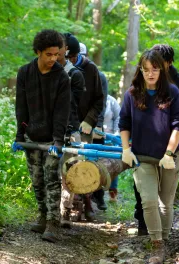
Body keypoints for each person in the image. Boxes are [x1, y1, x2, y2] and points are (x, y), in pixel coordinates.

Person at [119, 49, 179, 263]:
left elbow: (178, 126)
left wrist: (169, 153)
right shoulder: (132, 94)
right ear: (141, 70)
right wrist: (125, 149)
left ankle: (164, 242)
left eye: (154, 69)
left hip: (168, 157)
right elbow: (124, 123)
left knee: (165, 202)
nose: (150, 73)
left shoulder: (173, 93)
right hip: (142, 157)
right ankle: (156, 245)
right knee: (148, 201)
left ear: (161, 69)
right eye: (146, 69)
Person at [12, 29, 71, 243]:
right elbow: (21, 106)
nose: (53, 59)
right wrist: (20, 134)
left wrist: (58, 139)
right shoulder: (25, 73)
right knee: (36, 179)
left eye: (57, 55)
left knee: (51, 178)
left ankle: (54, 223)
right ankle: (43, 216)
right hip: (32, 135)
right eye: (49, 54)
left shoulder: (61, 77)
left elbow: (62, 112)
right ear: (38, 51)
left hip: (52, 138)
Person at [133, 44, 179, 236]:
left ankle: (163, 236)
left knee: (165, 199)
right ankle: (143, 224)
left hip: (168, 143)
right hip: (144, 146)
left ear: (169, 63)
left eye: (160, 64)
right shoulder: (141, 83)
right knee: (144, 192)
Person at [60, 33, 104, 224]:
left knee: (80, 168)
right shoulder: (54, 68)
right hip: (60, 125)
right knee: (60, 168)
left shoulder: (91, 70)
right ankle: (61, 209)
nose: (67, 60)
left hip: (83, 127)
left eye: (70, 57)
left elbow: (99, 100)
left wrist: (89, 120)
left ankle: (85, 203)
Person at [79, 42, 108, 211]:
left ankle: (97, 195)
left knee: (95, 160)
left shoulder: (99, 75)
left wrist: (96, 126)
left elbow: (101, 103)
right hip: (75, 124)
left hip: (94, 123)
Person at [103, 94, 121, 202]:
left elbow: (118, 118)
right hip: (95, 138)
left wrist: (116, 135)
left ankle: (112, 193)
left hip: (110, 139)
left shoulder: (111, 101)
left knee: (113, 165)